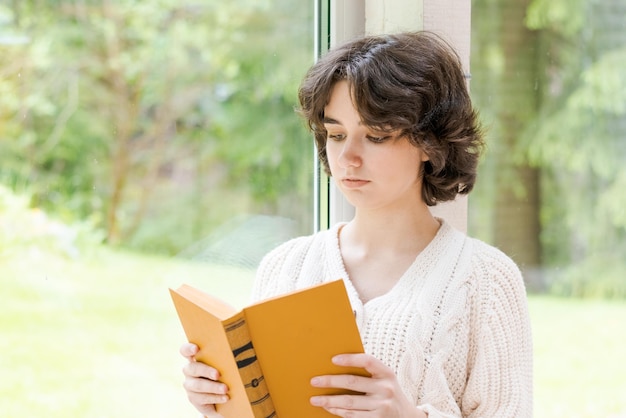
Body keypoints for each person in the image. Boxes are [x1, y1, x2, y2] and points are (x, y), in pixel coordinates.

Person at [180, 31, 533, 418]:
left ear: (430, 144)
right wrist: (220, 402)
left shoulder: (488, 281)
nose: (347, 157)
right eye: (336, 134)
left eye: (376, 136)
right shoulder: (285, 267)